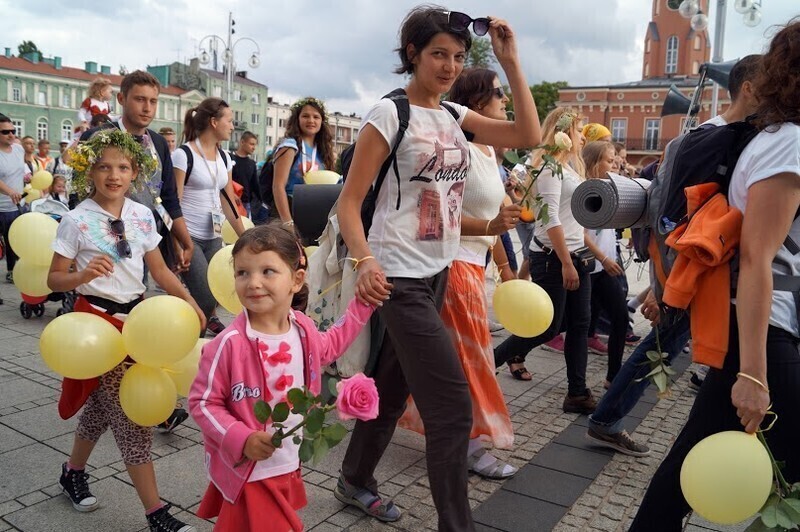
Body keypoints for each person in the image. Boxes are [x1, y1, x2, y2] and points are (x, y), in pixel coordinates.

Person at [335, 8, 540, 530]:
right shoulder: (390, 115)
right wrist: (365, 261)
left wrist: (511, 62)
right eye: (438, 55)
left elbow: (527, 135)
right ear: (412, 55)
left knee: (394, 385)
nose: (449, 66)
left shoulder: (452, 116)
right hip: (396, 278)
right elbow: (349, 201)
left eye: (457, 56)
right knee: (452, 407)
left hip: (439, 273)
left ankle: (355, 479)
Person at [631, 22, 800, 529]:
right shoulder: (789, 144)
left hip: (758, 325)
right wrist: (752, 373)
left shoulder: (775, 137)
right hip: (763, 328)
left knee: (690, 459)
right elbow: (756, 260)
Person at [585, 52, 765, 459]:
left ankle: (610, 420)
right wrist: (665, 284)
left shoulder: (704, 137)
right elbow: (675, 214)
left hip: (694, 267)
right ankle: (607, 420)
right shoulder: (724, 139)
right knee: (662, 347)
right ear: (750, 89)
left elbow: (664, 211)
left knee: (666, 344)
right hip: (702, 268)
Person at [48, 129, 205, 532]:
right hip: (95, 326)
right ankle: (156, 514)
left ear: (135, 171)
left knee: (101, 409)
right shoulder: (76, 220)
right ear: (90, 172)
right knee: (134, 418)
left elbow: (159, 270)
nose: (113, 175)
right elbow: (53, 279)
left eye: (122, 167)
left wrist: (189, 302)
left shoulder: (140, 214)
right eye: (103, 167)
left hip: (136, 324)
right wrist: (80, 274)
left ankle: (72, 472)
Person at [188, 224, 378, 531]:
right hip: (249, 468)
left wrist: (363, 304)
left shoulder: (302, 329)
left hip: (288, 460)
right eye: (242, 273)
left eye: (267, 271)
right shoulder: (228, 344)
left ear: (296, 279)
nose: (253, 282)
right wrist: (242, 437)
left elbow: (331, 345)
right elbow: (203, 402)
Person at [398, 67, 521, 479]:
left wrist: (506, 267)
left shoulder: (490, 153)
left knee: (458, 360)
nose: (505, 102)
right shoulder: (460, 151)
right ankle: (467, 445)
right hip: (453, 266)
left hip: (476, 266)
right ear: (480, 101)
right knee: (468, 362)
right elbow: (434, 216)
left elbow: (494, 219)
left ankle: (448, 434)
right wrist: (490, 229)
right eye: (499, 95)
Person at [494, 107, 597, 413]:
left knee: (580, 324)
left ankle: (577, 392)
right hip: (553, 258)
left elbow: (575, 219)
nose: (581, 137)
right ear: (563, 132)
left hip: (576, 255)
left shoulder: (572, 171)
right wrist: (566, 262)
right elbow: (550, 217)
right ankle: (490, 362)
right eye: (578, 130)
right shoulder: (550, 168)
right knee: (547, 326)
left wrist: (584, 257)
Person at [172, 97, 246, 335]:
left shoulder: (224, 157)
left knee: (213, 296)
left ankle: (195, 341)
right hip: (189, 237)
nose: (233, 126)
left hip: (213, 236)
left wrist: (246, 237)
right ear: (214, 122)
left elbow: (228, 200)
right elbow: (174, 203)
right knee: (204, 296)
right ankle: (188, 342)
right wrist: (178, 244)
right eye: (230, 120)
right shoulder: (184, 155)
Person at [581, 141, 628, 387]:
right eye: (610, 161)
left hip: (606, 268)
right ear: (594, 162)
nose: (614, 165)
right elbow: (581, 234)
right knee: (564, 322)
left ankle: (613, 377)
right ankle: (517, 353)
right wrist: (604, 258)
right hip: (590, 266)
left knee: (620, 317)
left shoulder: (608, 187)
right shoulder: (582, 188)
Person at [270, 96, 334, 223]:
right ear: (297, 119)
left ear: (322, 121)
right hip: (290, 211)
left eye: (316, 117)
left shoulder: (324, 152)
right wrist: (287, 222)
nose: (311, 120)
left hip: (314, 213)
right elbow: (278, 186)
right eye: (305, 116)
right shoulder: (289, 146)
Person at [0, 113, 25, 282]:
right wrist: (9, 191)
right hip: (1, 206)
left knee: (14, 242)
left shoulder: (19, 149)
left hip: (17, 206)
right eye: (5, 132)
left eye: (13, 130)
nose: (11, 135)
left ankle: (11, 271)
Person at [230, 131, 261, 217]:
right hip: (230, 201)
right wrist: (232, 194)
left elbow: (255, 185)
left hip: (245, 204)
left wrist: (263, 202)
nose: (254, 147)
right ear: (242, 142)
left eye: (255, 145)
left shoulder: (252, 164)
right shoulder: (229, 159)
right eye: (251, 144)